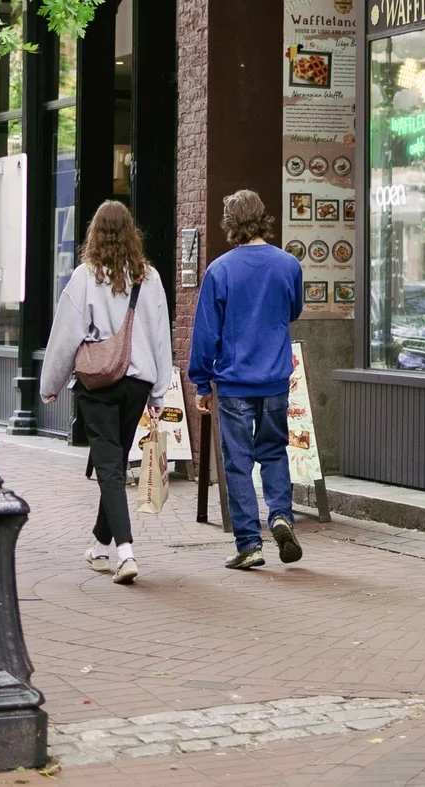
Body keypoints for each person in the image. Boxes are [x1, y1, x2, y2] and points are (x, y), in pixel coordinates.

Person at [40, 202, 176, 583]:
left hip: (97, 385)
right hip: (137, 385)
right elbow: (160, 335)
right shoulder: (150, 278)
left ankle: (126, 552)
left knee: (110, 468)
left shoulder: (85, 277)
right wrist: (159, 391)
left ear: (94, 234)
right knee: (113, 464)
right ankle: (101, 545)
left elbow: (65, 336)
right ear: (132, 233)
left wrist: (50, 385)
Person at [187, 189, 303, 571]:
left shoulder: (219, 270)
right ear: (263, 218)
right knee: (273, 451)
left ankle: (250, 543)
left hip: (234, 383)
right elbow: (293, 310)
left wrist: (202, 383)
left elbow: (206, 333)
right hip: (274, 380)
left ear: (231, 223)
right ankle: (282, 515)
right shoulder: (288, 265)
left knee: (237, 463)